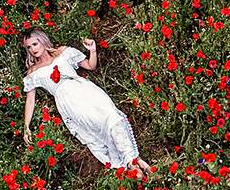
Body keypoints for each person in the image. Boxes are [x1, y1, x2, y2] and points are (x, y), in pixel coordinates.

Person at [19, 27, 154, 179]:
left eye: (35, 44)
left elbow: (91, 66)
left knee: (111, 116)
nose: (32, 49)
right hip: (69, 102)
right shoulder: (33, 72)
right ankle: (131, 164)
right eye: (29, 47)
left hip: (87, 91)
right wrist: (26, 126)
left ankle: (132, 160)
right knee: (97, 126)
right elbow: (30, 100)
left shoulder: (63, 52)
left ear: (43, 41)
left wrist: (93, 50)